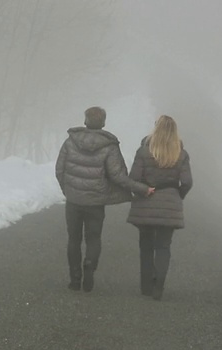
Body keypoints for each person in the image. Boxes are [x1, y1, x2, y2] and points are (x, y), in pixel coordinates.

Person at [55, 106, 152, 292]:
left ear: (85, 121)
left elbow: (60, 169)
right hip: (96, 202)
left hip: (74, 201)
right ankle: (89, 268)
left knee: (73, 239)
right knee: (93, 238)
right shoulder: (109, 146)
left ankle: (75, 279)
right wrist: (141, 189)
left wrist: (67, 190)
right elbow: (118, 176)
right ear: (104, 122)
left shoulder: (70, 142)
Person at [127, 115, 193, 301]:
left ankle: (146, 286)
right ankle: (159, 287)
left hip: (146, 202)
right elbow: (187, 181)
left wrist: (143, 190)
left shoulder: (144, 151)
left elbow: (133, 178)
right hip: (170, 201)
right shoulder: (181, 153)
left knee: (146, 245)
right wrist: (178, 194)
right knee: (163, 246)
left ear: (155, 129)